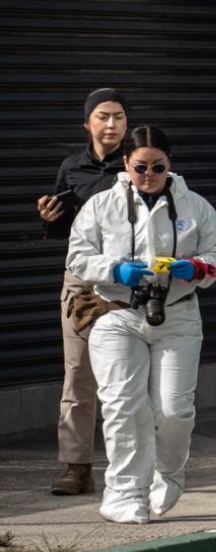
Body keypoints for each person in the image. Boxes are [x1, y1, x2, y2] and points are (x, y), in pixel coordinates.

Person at [66, 125, 216, 523]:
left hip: (177, 314)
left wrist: (195, 268)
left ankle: (168, 473)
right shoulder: (101, 205)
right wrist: (115, 269)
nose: (149, 175)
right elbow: (78, 256)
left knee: (174, 410)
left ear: (170, 165)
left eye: (158, 167)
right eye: (141, 167)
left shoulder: (195, 206)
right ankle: (125, 494)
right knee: (124, 406)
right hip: (116, 313)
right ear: (126, 164)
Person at [35, 88, 130, 496]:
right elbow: (61, 230)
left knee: (128, 377)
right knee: (79, 375)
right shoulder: (72, 168)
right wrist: (48, 218)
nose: (111, 125)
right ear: (87, 123)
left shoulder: (137, 165)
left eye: (119, 117)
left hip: (129, 282)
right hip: (83, 282)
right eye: (103, 117)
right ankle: (77, 466)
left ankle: (132, 467)